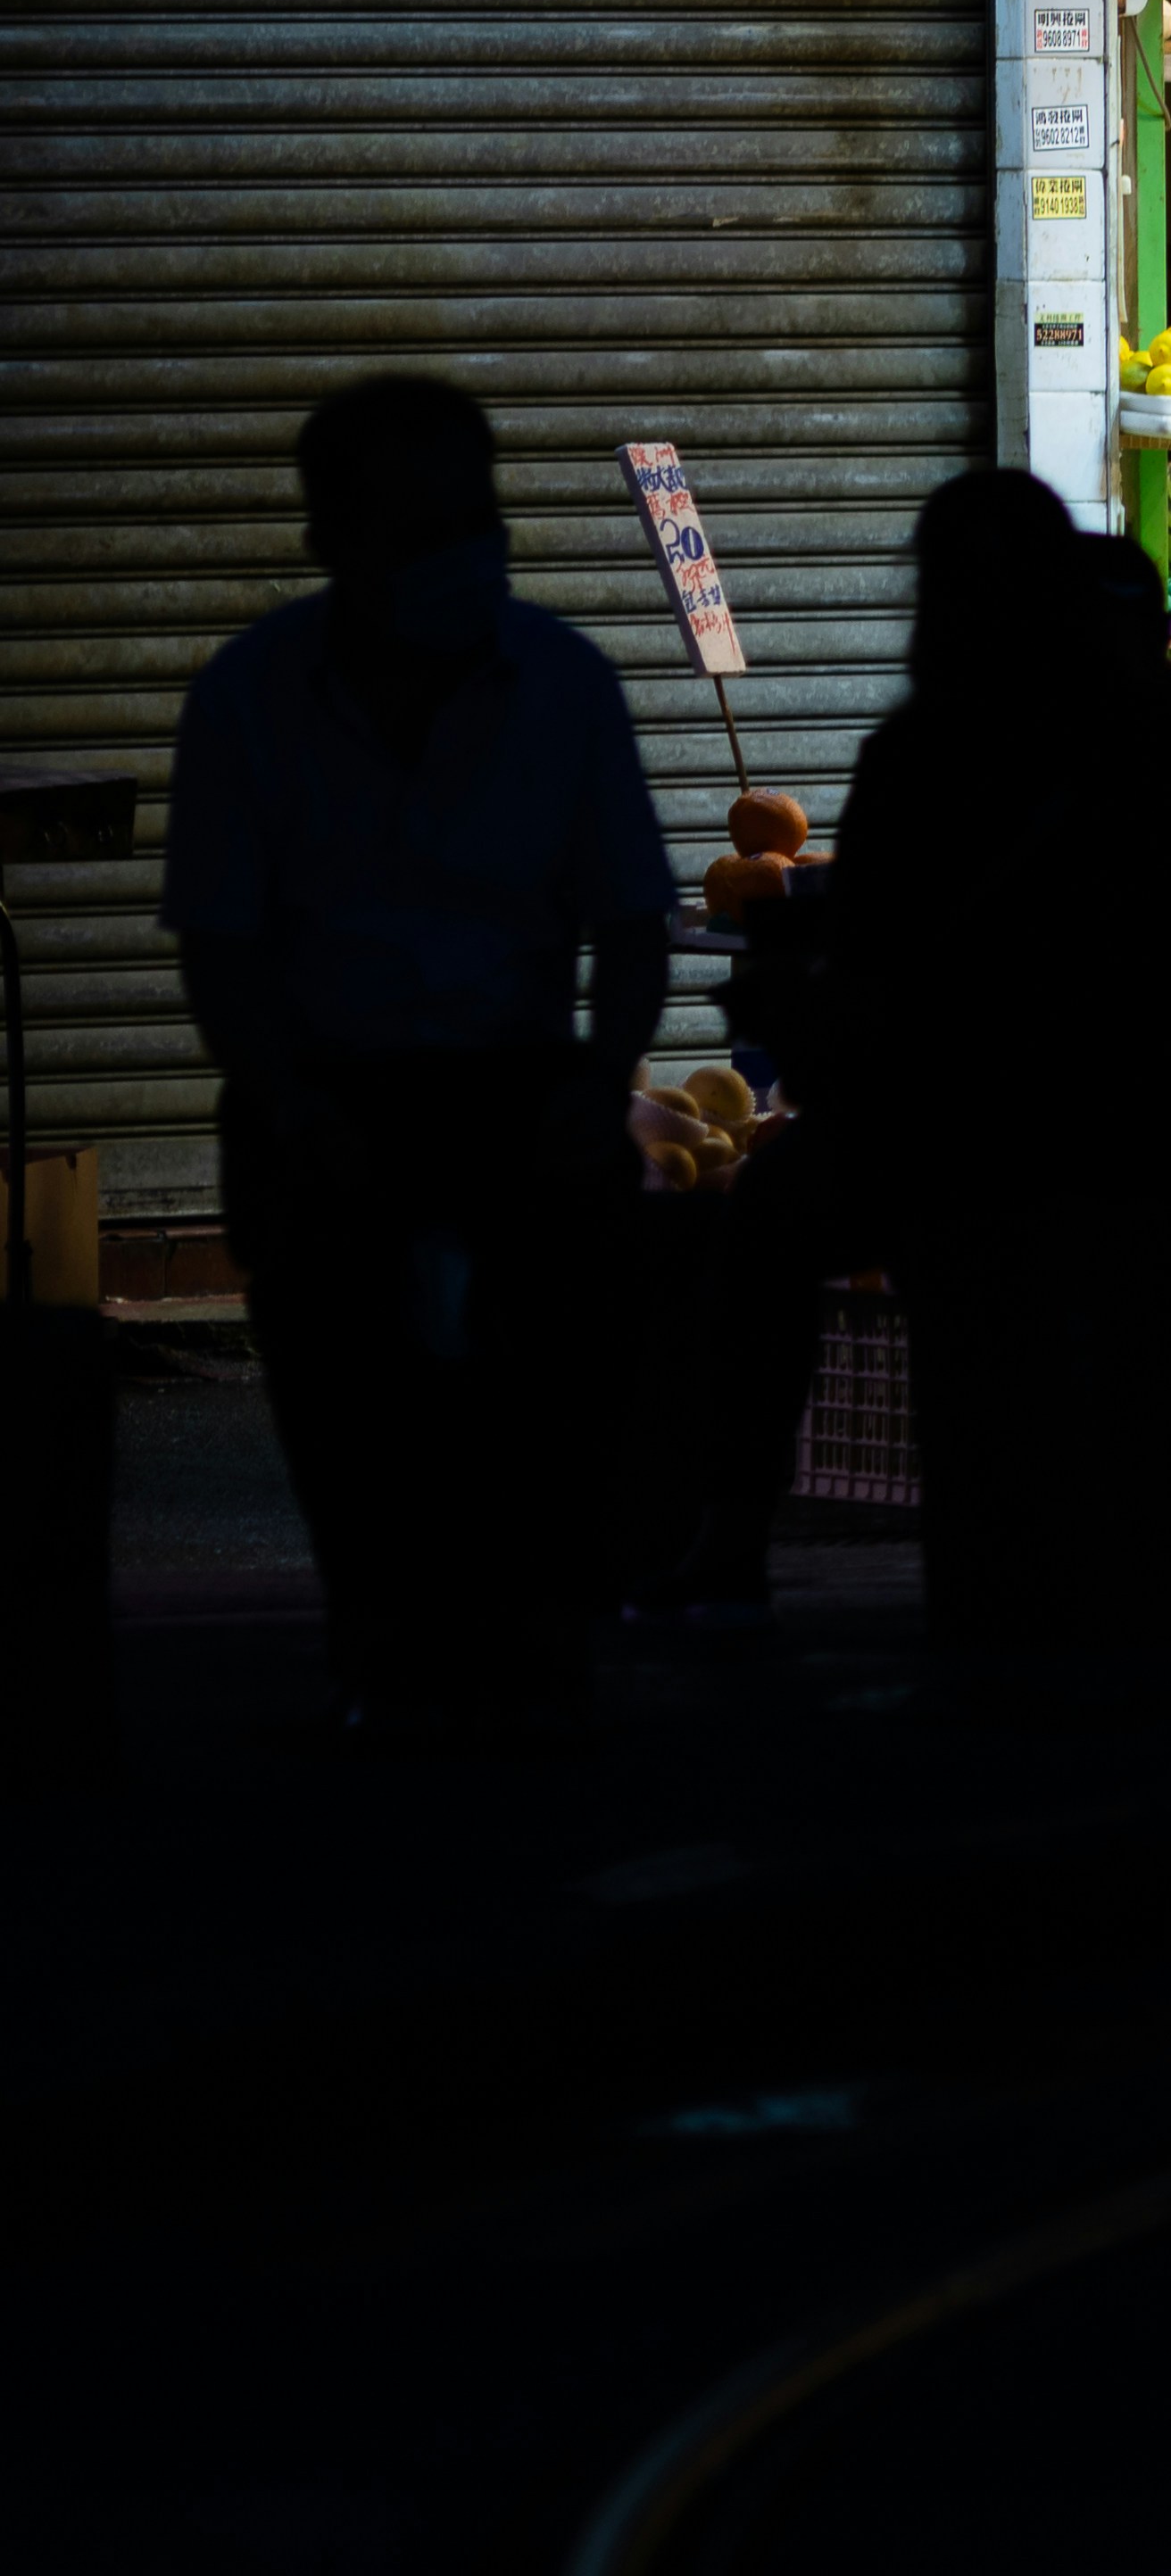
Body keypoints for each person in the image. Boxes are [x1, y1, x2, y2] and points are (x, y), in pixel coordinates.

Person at [158, 374, 677, 1731]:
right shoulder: (250, 699)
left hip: (512, 1079)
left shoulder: (564, 686)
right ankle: (373, 1632)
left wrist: (596, 1083)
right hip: (324, 1083)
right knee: (342, 1368)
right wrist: (284, 1097)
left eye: (473, 515)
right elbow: (221, 947)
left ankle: (560, 1616)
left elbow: (630, 929)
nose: (458, 550)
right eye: (417, 523)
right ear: (330, 535)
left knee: (589, 1319)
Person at [827, 474, 1171, 1652]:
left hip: (1004, 1135)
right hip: (1152, 1118)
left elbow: (867, 952)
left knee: (804, 1239)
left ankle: (722, 1549)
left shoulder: (927, 752)